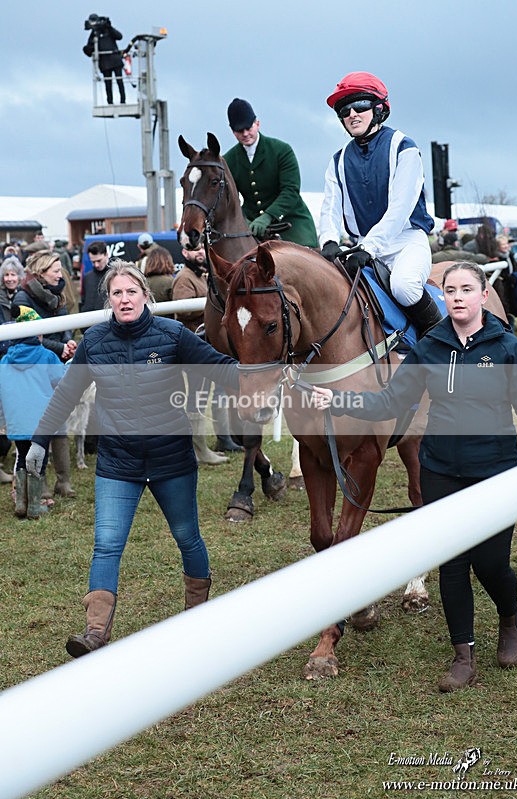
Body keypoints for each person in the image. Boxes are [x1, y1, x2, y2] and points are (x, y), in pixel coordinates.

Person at [310, 262, 517, 692]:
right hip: (440, 470)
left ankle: (511, 617)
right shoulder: (430, 347)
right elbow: (390, 401)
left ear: (484, 295)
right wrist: (340, 398)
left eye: (468, 289)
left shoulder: (507, 347)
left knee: (491, 563)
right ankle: (462, 655)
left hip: (495, 470)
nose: (459, 297)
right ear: (443, 298)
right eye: (451, 290)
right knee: (452, 564)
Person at [26, 261, 240, 657]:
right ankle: (94, 632)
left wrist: (261, 373)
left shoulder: (172, 335)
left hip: (171, 460)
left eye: (131, 291)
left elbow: (220, 368)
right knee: (106, 545)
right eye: (116, 293)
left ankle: (198, 614)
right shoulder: (94, 341)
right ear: (108, 299)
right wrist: (39, 440)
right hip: (117, 464)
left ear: (145, 296)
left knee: (186, 536)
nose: (124, 299)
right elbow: (67, 394)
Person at [319, 72, 439, 338]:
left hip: (405, 242)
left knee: (404, 287)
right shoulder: (337, 160)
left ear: (379, 108)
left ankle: (443, 342)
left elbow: (400, 209)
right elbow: (330, 207)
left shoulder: (404, 148)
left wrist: (370, 247)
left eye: (359, 105)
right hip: (361, 246)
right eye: (344, 109)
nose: (351, 114)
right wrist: (328, 240)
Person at [12, 250, 78, 497]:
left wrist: (68, 342)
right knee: (38, 424)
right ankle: (42, 482)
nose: (60, 275)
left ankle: (64, 481)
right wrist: (61, 347)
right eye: (56, 270)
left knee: (60, 420)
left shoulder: (57, 292)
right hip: (34, 366)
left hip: (56, 361)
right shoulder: (22, 296)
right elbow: (28, 336)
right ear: (41, 271)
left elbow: (64, 323)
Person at [223, 98, 318, 248]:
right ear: (232, 131)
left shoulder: (281, 150)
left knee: (309, 261)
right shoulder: (228, 160)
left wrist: (268, 216)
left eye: (249, 127)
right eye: (240, 131)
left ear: (257, 123)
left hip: (290, 221)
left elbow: (290, 191)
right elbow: (230, 199)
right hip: (252, 225)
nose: (246, 133)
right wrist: (243, 220)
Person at [0, 306, 65, 519]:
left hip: (17, 421)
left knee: (20, 459)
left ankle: (21, 501)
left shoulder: (4, 360)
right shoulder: (47, 356)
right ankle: (35, 505)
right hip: (41, 421)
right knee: (38, 460)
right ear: (37, 332)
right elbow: (60, 382)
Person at [172, 245, 234, 462]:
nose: (200, 252)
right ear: (184, 253)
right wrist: (211, 310)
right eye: (194, 249)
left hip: (203, 346)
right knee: (196, 396)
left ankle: (202, 447)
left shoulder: (202, 275)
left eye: (201, 249)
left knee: (203, 394)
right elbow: (183, 309)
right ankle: (198, 450)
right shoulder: (184, 277)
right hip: (192, 344)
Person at [82, 14, 126, 105]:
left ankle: (123, 100)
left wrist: (109, 27)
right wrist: (86, 49)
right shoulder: (94, 34)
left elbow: (119, 36)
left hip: (115, 59)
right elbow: (90, 48)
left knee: (119, 81)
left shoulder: (108, 30)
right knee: (108, 83)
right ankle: (110, 102)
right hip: (105, 62)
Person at [79, 241, 111, 312]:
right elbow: (83, 300)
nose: (96, 265)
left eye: (99, 260)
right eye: (93, 262)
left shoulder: (114, 276)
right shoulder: (87, 277)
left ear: (106, 255)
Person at [0, 255, 25, 323]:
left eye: (13, 275)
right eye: (6, 275)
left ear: (19, 277)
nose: (9, 279)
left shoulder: (25, 296)